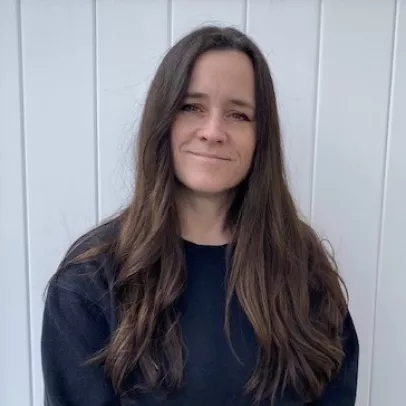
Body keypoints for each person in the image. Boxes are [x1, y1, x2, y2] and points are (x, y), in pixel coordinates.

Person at [41, 26, 359, 406]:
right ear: (162, 120)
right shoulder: (90, 280)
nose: (213, 131)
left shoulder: (303, 267)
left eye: (238, 114)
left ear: (262, 137)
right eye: (191, 107)